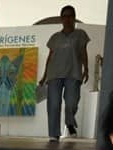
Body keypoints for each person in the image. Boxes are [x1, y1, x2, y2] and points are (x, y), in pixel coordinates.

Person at [39, 5, 90, 142]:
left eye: (70, 16)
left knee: (71, 103)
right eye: (64, 16)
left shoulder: (81, 35)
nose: (67, 19)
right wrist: (44, 76)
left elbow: (83, 52)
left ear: (74, 18)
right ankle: (54, 134)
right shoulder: (55, 37)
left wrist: (86, 68)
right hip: (54, 74)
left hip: (73, 73)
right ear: (61, 19)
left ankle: (69, 121)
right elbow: (50, 57)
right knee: (54, 104)